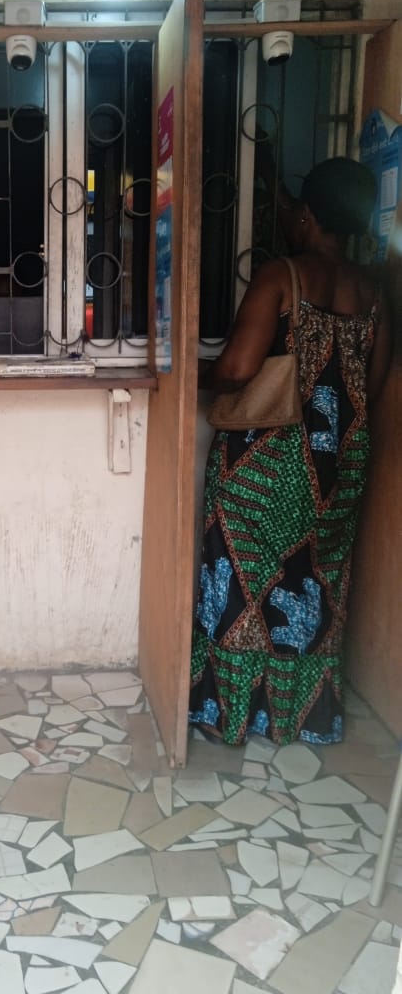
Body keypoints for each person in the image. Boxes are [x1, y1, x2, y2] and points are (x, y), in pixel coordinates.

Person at [189, 156, 392, 747]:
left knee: (240, 579)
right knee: (316, 580)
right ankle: (301, 715)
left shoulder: (281, 276)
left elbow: (237, 368)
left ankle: (228, 713)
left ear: (306, 215)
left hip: (266, 459)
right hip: (340, 466)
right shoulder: (375, 296)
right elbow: (373, 388)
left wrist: (193, 377)